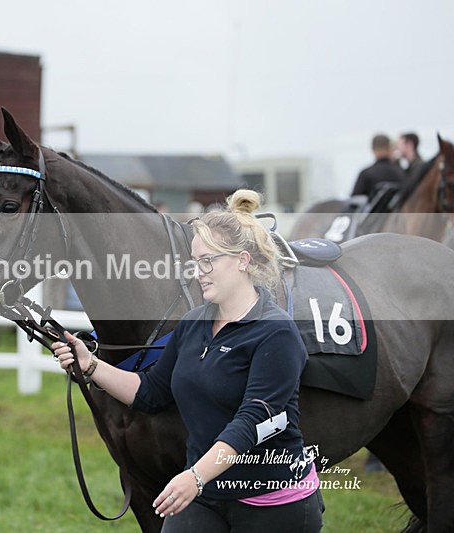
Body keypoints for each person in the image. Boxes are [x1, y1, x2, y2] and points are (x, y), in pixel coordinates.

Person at [53, 189, 324, 532]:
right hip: (205, 493)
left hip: (272, 500)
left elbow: (253, 421)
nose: (199, 272)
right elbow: (150, 392)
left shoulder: (276, 332)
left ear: (242, 261)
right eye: (195, 262)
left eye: (208, 261)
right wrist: (90, 364)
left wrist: (195, 476)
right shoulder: (193, 323)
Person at [351, 134, 404, 200]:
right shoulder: (401, 172)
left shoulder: (366, 174)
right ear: (390, 148)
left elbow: (354, 200)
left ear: (373, 149)